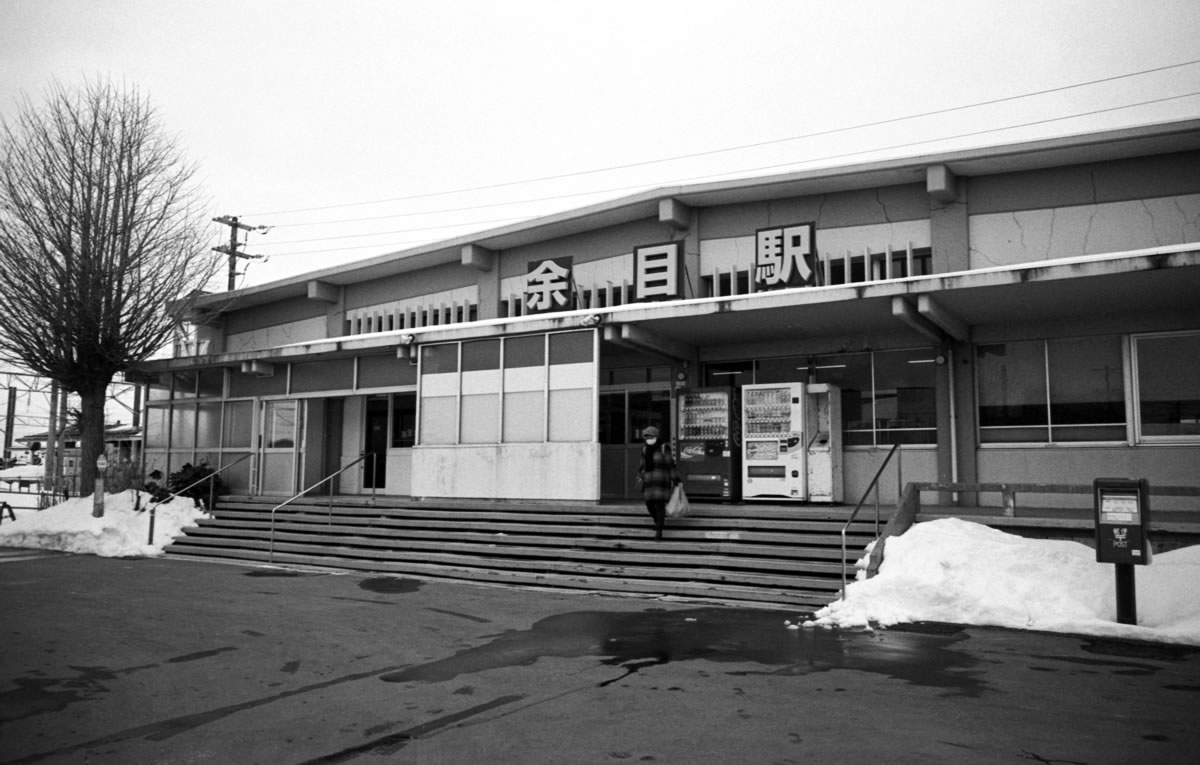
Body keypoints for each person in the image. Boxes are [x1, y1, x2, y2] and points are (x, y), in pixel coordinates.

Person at [637, 426, 680, 541]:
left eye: (651, 436)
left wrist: (676, 479)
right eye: (646, 437)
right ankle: (658, 522)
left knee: (660, 505)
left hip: (661, 480)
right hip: (649, 481)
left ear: (656, 436)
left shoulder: (664, 448)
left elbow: (670, 464)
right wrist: (640, 475)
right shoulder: (645, 449)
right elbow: (642, 465)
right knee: (649, 504)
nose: (648, 439)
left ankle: (659, 531)